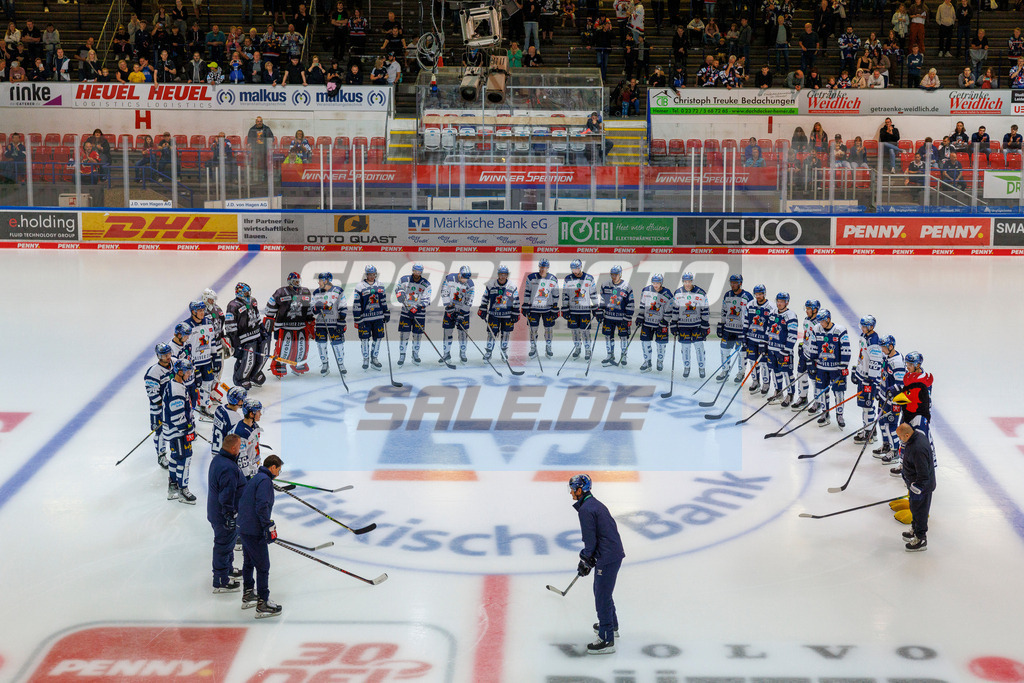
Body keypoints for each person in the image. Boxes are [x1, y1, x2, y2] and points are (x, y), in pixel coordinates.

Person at [568, 473, 625, 655]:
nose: (570, 492)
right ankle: (612, 625)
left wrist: (586, 558)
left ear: (580, 489)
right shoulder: (594, 504)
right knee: (603, 592)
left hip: (608, 556)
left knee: (601, 595)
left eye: (572, 488)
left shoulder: (586, 510)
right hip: (610, 553)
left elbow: (590, 541)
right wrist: (589, 558)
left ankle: (606, 639)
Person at [238, 453, 284, 618]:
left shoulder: (257, 478)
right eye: (279, 470)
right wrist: (267, 526)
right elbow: (262, 505)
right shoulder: (265, 482)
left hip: (244, 527)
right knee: (263, 566)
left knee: (249, 562)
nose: (279, 473)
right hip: (254, 530)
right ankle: (263, 602)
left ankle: (248, 594)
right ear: (273, 467)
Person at [207, 432, 246, 593]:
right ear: (233, 448)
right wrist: (229, 515)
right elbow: (227, 495)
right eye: (239, 446)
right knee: (223, 545)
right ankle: (220, 580)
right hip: (223, 515)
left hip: (218, 512)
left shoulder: (219, 460)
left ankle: (227, 569)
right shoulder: (228, 468)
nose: (241, 449)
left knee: (228, 544)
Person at [264, 272, 314, 378]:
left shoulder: (305, 292)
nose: (297, 283)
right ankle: (279, 365)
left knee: (302, 347)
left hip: (301, 325)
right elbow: (270, 308)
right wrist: (269, 322)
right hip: (284, 326)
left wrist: (310, 321)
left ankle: (298, 364)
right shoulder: (280, 292)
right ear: (289, 281)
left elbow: (309, 309)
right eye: (295, 281)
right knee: (284, 348)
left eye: (298, 281)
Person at [162, 358, 197, 504]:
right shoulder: (176, 389)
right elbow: (177, 417)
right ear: (180, 372)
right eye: (188, 371)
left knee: (175, 458)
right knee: (184, 458)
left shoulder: (176, 384)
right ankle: (183, 490)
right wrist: (188, 429)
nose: (190, 374)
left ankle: (173, 487)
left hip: (173, 432)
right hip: (178, 433)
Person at [809, 308, 851, 428]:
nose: (820, 324)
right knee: (822, 391)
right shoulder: (816, 329)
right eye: (819, 321)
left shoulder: (840, 330)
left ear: (828, 319)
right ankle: (824, 412)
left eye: (822, 321)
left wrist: (843, 366)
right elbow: (813, 346)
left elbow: (846, 349)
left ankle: (839, 414)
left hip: (836, 368)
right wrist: (812, 361)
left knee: (838, 392)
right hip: (822, 367)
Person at [896, 423, 934, 551]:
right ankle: (915, 529)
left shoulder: (918, 448)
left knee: (920, 512)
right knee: (914, 509)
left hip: (921, 489)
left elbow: (923, 474)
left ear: (907, 435)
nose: (900, 440)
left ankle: (921, 538)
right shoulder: (915, 437)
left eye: (901, 437)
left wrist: (917, 487)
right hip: (914, 485)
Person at [478, 265, 520, 361]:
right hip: (493, 315)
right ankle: (488, 352)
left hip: (507, 315)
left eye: (505, 274)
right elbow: (485, 298)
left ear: (507, 275)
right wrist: (483, 308)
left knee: (506, 334)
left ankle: (504, 352)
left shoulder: (512, 286)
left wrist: (515, 312)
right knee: (491, 334)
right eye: (501, 274)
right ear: (498, 274)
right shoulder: (491, 285)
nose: (503, 276)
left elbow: (516, 300)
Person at [353, 264, 389, 370]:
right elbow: (357, 303)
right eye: (369, 274)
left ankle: (374, 358)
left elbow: (383, 300)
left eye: (373, 274)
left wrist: (386, 312)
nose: (372, 276)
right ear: (366, 274)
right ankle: (365, 359)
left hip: (378, 317)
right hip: (365, 318)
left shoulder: (380, 285)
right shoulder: (360, 286)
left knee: (378, 338)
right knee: (364, 339)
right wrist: (357, 317)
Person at [523, 259, 561, 360]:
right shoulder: (531, 278)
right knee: (533, 329)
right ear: (539, 266)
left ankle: (548, 347)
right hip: (533, 309)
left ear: (548, 268)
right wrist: (526, 304)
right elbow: (527, 291)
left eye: (544, 267)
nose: (542, 269)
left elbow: (556, 294)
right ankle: (533, 348)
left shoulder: (553, 279)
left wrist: (555, 306)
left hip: (547, 309)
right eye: (541, 266)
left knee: (548, 329)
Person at [144, 343, 174, 470]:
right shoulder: (153, 373)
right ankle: (161, 455)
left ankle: (175, 450)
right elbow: (154, 396)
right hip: (159, 409)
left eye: (169, 354)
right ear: (158, 356)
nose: (168, 357)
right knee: (160, 432)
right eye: (164, 355)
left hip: (174, 407)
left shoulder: (175, 364)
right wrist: (167, 405)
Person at [394, 264, 431, 366]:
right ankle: (402, 355)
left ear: (421, 272)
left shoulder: (426, 284)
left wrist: (415, 309)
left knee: (417, 336)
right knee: (404, 334)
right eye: (415, 271)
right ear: (413, 270)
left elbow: (427, 300)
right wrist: (399, 295)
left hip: (419, 313)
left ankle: (415, 354)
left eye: (419, 272)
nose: (417, 274)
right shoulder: (404, 279)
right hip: (406, 312)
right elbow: (398, 289)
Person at [311, 272, 347, 376]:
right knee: (321, 345)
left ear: (326, 281)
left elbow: (343, 306)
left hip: (334, 323)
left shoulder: (338, 291)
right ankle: (325, 364)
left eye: (321, 280)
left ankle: (341, 364)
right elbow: (312, 310)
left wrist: (341, 321)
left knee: (338, 344)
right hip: (321, 324)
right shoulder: (316, 293)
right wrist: (316, 308)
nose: (319, 282)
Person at [562, 259, 599, 361]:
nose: (574, 271)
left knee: (585, 331)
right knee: (574, 331)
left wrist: (596, 307)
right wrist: (565, 307)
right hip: (572, 311)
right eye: (573, 269)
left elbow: (593, 294)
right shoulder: (568, 279)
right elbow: (565, 294)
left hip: (585, 311)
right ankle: (577, 348)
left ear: (580, 268)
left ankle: (588, 350)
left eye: (576, 268)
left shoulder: (589, 278)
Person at [440, 266, 475, 364]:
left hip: (463, 311)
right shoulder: (449, 278)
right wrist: (448, 306)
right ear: (459, 274)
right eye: (463, 277)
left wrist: (462, 314)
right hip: (450, 309)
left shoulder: (470, 284)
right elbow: (444, 292)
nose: (465, 280)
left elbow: (469, 300)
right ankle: (446, 354)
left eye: (467, 278)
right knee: (447, 332)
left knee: (463, 333)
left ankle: (463, 353)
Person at [791, 299, 819, 410]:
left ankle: (818, 401)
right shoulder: (806, 320)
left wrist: (816, 357)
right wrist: (802, 345)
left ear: (815, 310)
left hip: (814, 356)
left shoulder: (818, 324)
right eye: (806, 308)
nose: (806, 311)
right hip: (805, 353)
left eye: (809, 309)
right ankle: (802, 397)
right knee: (801, 375)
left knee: (815, 380)